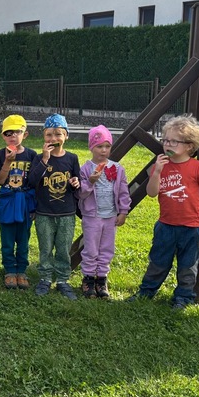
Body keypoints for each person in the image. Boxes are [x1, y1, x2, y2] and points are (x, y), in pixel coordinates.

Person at [128, 115, 199, 309]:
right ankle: (146, 292)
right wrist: (157, 172)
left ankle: (183, 297)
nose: (167, 144)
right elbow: (152, 193)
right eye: (165, 140)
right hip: (166, 225)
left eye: (174, 141)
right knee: (158, 261)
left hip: (193, 227)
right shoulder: (159, 166)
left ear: (189, 145)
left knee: (187, 266)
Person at [28, 113, 81, 300]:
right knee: (45, 248)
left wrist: (76, 182)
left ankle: (63, 280)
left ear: (66, 136)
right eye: (49, 134)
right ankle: (45, 278)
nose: (53, 138)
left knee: (63, 248)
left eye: (58, 134)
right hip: (44, 213)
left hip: (66, 213)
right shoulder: (39, 158)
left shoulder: (72, 158)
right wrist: (45, 159)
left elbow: (77, 181)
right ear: (44, 137)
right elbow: (32, 181)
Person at [77, 125, 131, 299]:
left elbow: (123, 192)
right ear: (91, 147)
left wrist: (123, 211)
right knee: (91, 249)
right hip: (92, 216)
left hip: (110, 217)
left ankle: (101, 279)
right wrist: (90, 182)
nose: (104, 150)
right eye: (99, 146)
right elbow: (80, 194)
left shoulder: (118, 168)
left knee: (107, 248)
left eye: (107, 146)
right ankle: (88, 278)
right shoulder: (85, 169)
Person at [0, 114, 37, 290]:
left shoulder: (31, 155)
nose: (12, 136)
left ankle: (21, 270)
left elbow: (34, 182)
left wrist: (33, 207)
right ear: (3, 136)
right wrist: (7, 162)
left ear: (24, 134)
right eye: (8, 133)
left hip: (25, 202)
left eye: (17, 132)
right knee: (7, 238)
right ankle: (10, 270)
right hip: (8, 200)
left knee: (23, 238)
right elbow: (0, 180)